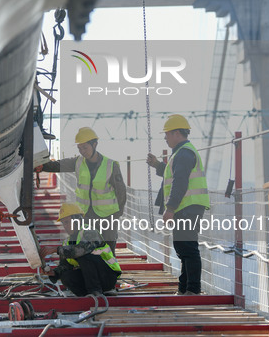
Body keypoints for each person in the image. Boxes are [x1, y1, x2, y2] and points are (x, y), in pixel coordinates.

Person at [36, 127, 126, 256]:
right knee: (87, 247)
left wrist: (118, 213)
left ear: (94, 144)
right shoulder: (78, 162)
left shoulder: (111, 165)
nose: (82, 151)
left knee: (108, 248)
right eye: (80, 148)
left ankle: (110, 274)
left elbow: (121, 192)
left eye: (85, 148)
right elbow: (59, 165)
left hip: (108, 215)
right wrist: (43, 166)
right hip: (87, 214)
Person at [146, 114, 210, 295]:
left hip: (187, 207)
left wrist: (170, 209)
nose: (165, 138)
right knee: (183, 248)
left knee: (187, 248)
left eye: (167, 134)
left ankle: (193, 290)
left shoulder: (184, 153)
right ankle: (185, 289)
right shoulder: (182, 153)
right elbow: (175, 175)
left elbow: (180, 181)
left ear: (176, 133)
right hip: (188, 206)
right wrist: (158, 165)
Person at [40, 203, 121, 296]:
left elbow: (82, 250)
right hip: (91, 279)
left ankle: (95, 293)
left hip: (107, 276)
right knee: (66, 277)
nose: (65, 226)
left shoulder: (89, 231)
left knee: (85, 256)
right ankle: (86, 296)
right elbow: (65, 266)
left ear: (77, 220)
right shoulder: (67, 242)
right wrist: (53, 272)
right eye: (63, 223)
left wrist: (56, 250)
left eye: (67, 222)